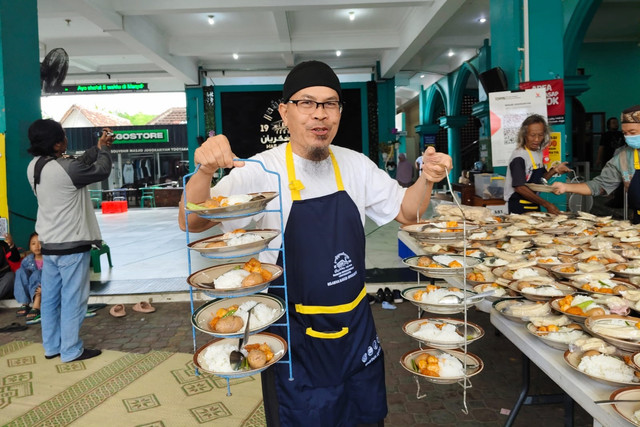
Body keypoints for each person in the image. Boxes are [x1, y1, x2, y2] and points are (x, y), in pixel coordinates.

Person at [178, 60, 452, 427]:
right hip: (294, 333)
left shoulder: (356, 165)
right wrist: (205, 170)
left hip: (355, 325)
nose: (319, 115)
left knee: (365, 416)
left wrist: (428, 178)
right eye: (307, 103)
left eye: (330, 104)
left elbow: (408, 213)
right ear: (285, 112)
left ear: (339, 112)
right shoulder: (261, 170)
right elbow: (191, 220)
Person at [26, 119, 115, 362]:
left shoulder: (34, 166)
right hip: (72, 245)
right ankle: (71, 350)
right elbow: (101, 170)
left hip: (49, 244)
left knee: (51, 300)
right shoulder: (65, 168)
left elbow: (74, 166)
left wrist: (97, 147)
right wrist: (105, 150)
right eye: (63, 136)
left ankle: (52, 347)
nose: (66, 140)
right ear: (57, 144)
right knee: (74, 300)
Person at [552, 105, 640, 223]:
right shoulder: (623, 157)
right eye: (625, 133)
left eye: (632, 132)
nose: (628, 137)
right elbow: (600, 185)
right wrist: (566, 187)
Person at [503, 114, 570, 214]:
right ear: (525, 135)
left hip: (533, 204)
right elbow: (519, 187)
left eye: (540, 135)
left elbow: (540, 180)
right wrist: (547, 204)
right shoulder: (519, 157)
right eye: (533, 135)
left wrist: (555, 170)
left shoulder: (538, 153)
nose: (537, 139)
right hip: (518, 207)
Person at [14, 232, 43, 323]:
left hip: (44, 289)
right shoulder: (27, 260)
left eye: (40, 243)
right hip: (31, 288)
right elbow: (23, 278)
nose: (37, 246)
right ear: (30, 246)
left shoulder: (50, 259)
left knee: (37, 273)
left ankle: (36, 305)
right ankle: (25, 303)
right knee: (20, 272)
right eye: (33, 244)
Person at [0, 232, 20, 300]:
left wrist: (11, 245)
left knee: (11, 276)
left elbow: (16, 259)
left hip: (3, 279)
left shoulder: (3, 245)